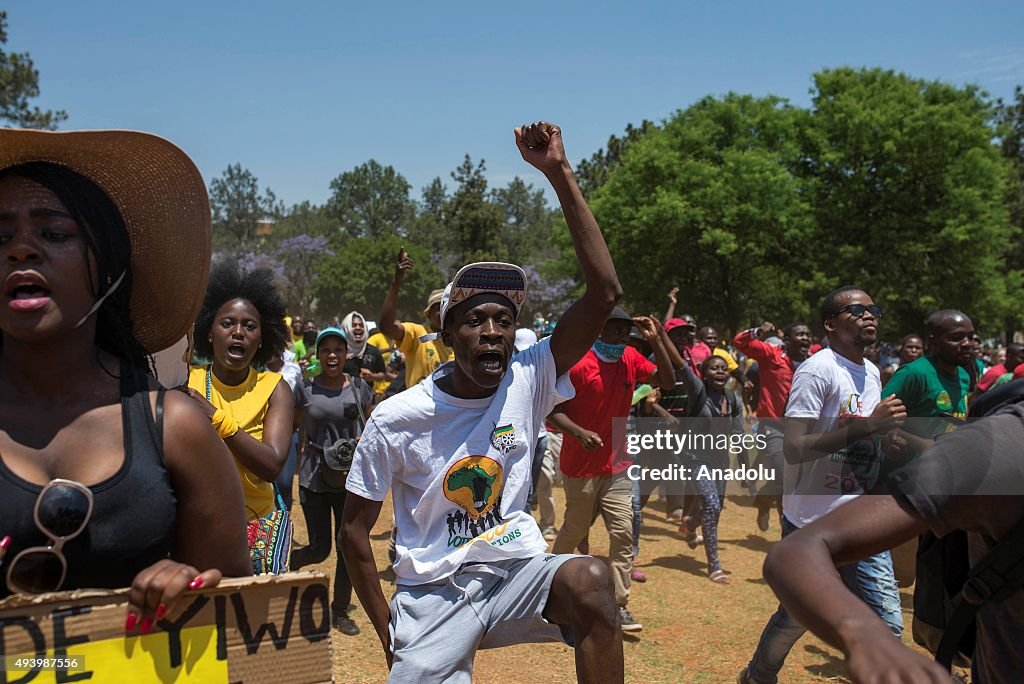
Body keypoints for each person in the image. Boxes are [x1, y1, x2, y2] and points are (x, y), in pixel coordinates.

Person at [341, 121, 625, 682]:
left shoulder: (530, 372)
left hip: (514, 573)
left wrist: (558, 172)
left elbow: (605, 294)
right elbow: (353, 532)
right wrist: (386, 631)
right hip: (431, 594)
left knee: (593, 582)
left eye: (504, 320)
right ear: (446, 337)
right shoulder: (398, 418)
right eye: (474, 320)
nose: (492, 331)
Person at [0, 131, 250, 626]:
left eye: (54, 234)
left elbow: (247, 632)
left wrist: (189, 590)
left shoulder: (175, 428)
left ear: (110, 267)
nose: (20, 251)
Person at [761, 399, 1024, 683]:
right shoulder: (1006, 444)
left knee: (879, 623)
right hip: (836, 511)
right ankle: (760, 673)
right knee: (798, 618)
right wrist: (866, 638)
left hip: (859, 505)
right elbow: (798, 550)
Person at [739, 286, 907, 684]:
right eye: (857, 311)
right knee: (797, 615)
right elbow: (795, 449)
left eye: (874, 311)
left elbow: (859, 436)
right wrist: (869, 426)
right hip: (812, 518)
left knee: (887, 625)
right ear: (830, 324)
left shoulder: (869, 372)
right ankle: (758, 676)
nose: (871, 317)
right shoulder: (818, 370)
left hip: (858, 513)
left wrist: (886, 438)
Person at [549, 308, 676, 632]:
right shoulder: (578, 364)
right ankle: (548, 585)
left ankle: (620, 604)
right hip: (580, 466)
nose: (622, 336)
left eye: (626, 331)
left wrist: (656, 339)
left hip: (618, 463)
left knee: (622, 533)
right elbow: (553, 411)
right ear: (599, 330)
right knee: (574, 531)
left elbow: (669, 380)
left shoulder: (631, 358)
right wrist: (578, 432)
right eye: (615, 329)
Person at [184, 262, 294, 521]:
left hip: (255, 527)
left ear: (262, 339)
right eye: (227, 323)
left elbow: (272, 465)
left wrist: (215, 417)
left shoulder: (274, 388)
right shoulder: (187, 382)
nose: (238, 332)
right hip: (197, 524)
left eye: (249, 326)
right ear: (210, 333)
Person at [290, 326, 374, 637]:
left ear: (346, 353)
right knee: (319, 548)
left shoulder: (358, 387)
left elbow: (369, 422)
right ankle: (292, 565)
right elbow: (296, 424)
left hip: (349, 479)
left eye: (338, 349)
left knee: (347, 547)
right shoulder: (305, 388)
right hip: (313, 477)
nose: (332, 355)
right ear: (317, 355)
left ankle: (339, 611)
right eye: (326, 350)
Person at [733, 320, 812, 531]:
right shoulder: (772, 354)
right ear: (786, 340)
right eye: (799, 334)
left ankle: (763, 501)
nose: (805, 338)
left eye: (807, 334)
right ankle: (788, 528)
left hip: (804, 429)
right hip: (773, 427)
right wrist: (758, 332)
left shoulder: (815, 362)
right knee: (783, 474)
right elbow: (740, 342)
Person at [679, 355, 745, 583]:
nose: (720, 372)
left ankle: (689, 523)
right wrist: (659, 338)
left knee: (715, 509)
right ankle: (714, 566)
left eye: (724, 369)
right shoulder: (698, 393)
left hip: (720, 461)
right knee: (711, 504)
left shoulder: (733, 399)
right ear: (704, 372)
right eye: (714, 368)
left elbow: (738, 434)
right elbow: (682, 367)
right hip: (696, 458)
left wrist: (745, 466)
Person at [883, 310, 973, 454]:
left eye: (970, 337)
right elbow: (876, 421)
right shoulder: (914, 373)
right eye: (956, 337)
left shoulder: (963, 375)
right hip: (910, 470)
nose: (967, 344)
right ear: (933, 341)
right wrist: (923, 445)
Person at [378, 261, 453, 388]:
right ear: (428, 314)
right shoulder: (419, 334)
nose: (443, 312)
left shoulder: (458, 341)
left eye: (447, 308)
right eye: (438, 308)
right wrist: (397, 281)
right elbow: (386, 327)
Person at [340, 310, 388, 388]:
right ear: (346, 328)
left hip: (366, 397)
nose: (358, 328)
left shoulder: (373, 351)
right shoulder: (339, 351)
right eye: (354, 325)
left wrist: (372, 376)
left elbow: (383, 375)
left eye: (361, 325)